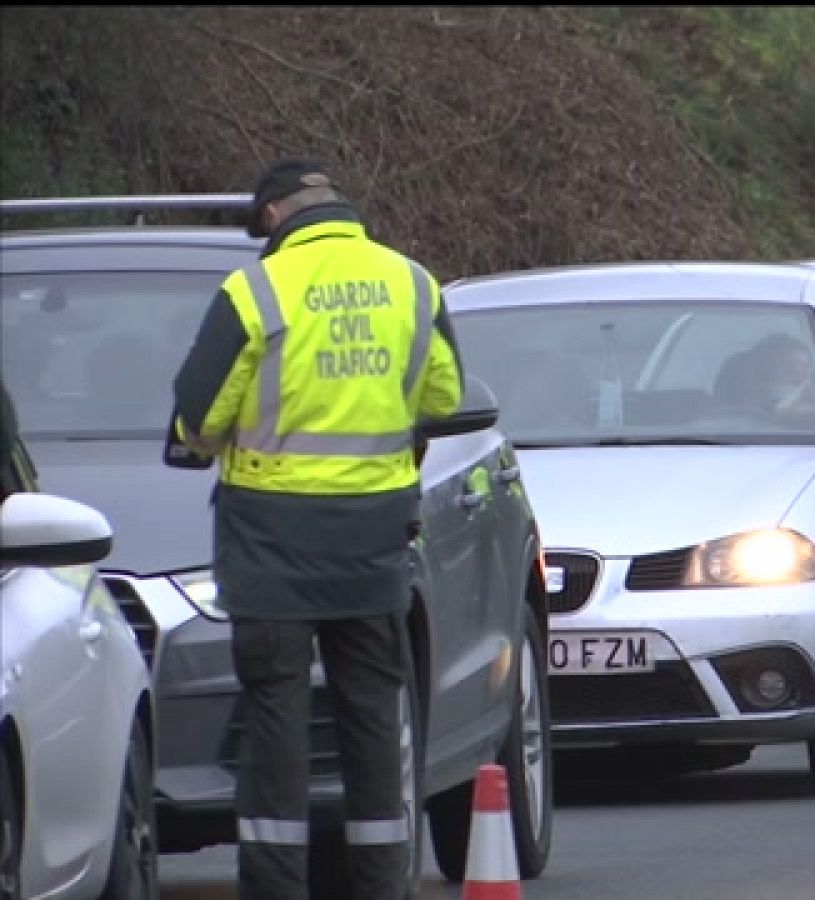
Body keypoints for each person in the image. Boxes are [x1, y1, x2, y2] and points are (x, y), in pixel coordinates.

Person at [169, 159, 463, 898]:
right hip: (372, 542)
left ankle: (276, 888)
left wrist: (201, 443)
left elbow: (200, 422)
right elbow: (446, 395)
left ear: (272, 216)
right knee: (372, 714)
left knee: (276, 717)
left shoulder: (256, 290)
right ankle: (380, 883)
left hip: (271, 543)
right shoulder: (413, 284)